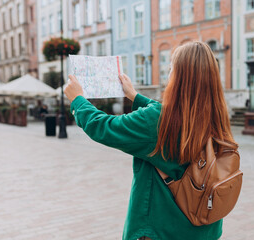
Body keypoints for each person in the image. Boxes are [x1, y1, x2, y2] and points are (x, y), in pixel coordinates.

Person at [64, 41, 237, 240]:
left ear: (179, 78)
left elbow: (104, 127)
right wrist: (135, 96)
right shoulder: (216, 116)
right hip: (204, 229)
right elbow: (169, 116)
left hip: (161, 231)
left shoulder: (157, 120)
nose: (168, 75)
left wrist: (78, 100)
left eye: (171, 69)